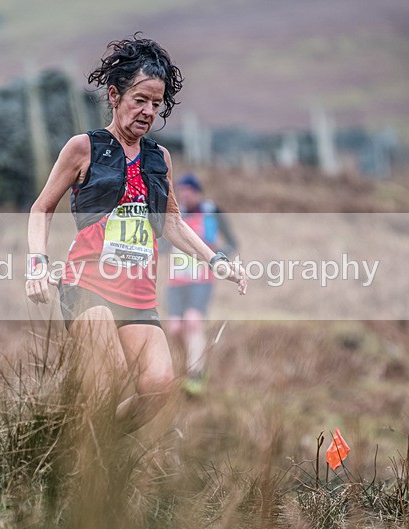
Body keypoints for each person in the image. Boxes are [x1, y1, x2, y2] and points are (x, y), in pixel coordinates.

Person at [26, 35, 247, 433]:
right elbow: (41, 208)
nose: (148, 111)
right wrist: (38, 265)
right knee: (107, 378)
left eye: (156, 104)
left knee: (159, 385)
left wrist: (216, 260)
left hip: (139, 294)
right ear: (114, 95)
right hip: (88, 284)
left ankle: (86, 445)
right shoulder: (84, 148)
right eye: (139, 100)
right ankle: (85, 469)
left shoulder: (159, 158)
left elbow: (173, 222)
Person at [165, 173, 238, 396]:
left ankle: (195, 374)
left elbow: (232, 243)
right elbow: (163, 242)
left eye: (188, 191)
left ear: (197, 192)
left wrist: (220, 257)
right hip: (176, 280)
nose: (184, 196)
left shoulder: (212, 211)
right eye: (181, 192)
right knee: (176, 327)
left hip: (202, 279)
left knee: (193, 321)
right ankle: (190, 363)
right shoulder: (175, 214)